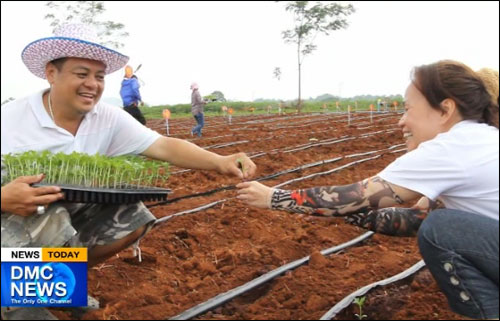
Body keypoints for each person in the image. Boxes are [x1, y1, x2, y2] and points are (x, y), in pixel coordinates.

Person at [1, 23, 256, 290]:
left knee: (131, 217)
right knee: (51, 221)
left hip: (60, 210)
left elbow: (163, 146)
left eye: (99, 76)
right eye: (81, 73)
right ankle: (15, 289)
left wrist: (220, 161)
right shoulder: (11, 119)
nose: (92, 84)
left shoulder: (106, 116)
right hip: (14, 215)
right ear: (51, 73)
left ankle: (52, 283)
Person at [237, 60, 499, 319]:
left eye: (408, 109)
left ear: (445, 110)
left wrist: (274, 197)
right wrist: (349, 211)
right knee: (440, 226)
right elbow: (415, 222)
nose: (401, 121)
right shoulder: (479, 140)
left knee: (442, 228)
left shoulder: (451, 148)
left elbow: (355, 197)